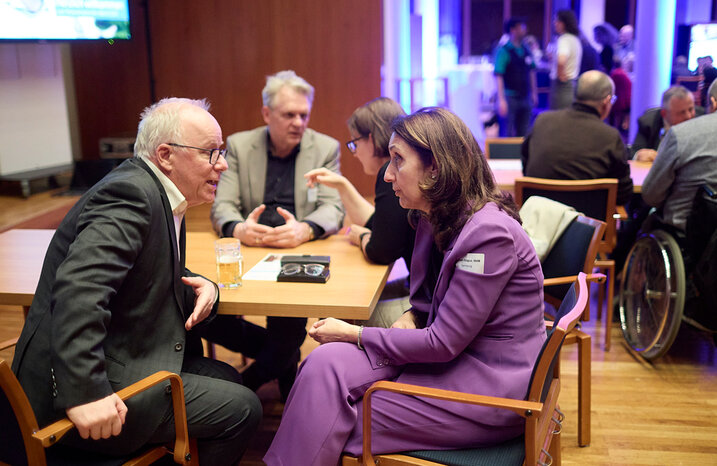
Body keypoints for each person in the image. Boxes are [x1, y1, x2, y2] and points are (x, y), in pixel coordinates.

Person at [264, 107, 546, 465]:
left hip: (486, 389)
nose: (387, 175)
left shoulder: (489, 235)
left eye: (397, 160)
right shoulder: (436, 216)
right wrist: (413, 312)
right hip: (453, 360)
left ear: (436, 168)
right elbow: (435, 300)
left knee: (325, 418)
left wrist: (355, 334)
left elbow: (443, 343)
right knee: (322, 364)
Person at [11, 98, 262, 465]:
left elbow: (148, 264)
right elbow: (79, 292)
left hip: (125, 353)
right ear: (165, 155)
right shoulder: (130, 196)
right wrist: (86, 394)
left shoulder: (158, 192)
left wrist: (202, 282)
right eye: (210, 152)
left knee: (229, 378)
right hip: (76, 394)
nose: (221, 163)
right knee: (244, 409)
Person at [203, 70, 345, 400]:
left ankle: (242, 387)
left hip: (297, 252)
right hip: (249, 249)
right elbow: (222, 205)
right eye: (289, 114)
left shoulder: (324, 147)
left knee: (288, 325)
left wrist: (304, 229)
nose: (299, 122)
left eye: (304, 114)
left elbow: (332, 209)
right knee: (206, 314)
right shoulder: (239, 145)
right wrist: (239, 227)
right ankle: (285, 370)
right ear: (267, 114)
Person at [304, 97, 414, 328]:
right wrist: (342, 185)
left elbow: (380, 251)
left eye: (354, 142)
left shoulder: (391, 173)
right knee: (340, 303)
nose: (354, 153)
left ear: (371, 138)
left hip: (425, 298)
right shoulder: (404, 169)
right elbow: (384, 225)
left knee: (335, 315)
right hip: (424, 286)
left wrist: (361, 237)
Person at [522, 70, 633, 205]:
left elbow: (526, 167)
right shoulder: (610, 137)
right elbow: (623, 193)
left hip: (537, 218)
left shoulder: (542, 121)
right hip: (589, 223)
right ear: (607, 101)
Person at [641, 80, 717, 233]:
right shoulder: (651, 122)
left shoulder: (682, 133)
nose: (689, 116)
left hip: (689, 232)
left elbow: (651, 195)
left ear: (713, 102)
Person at [631, 85, 702, 162]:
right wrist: (639, 155)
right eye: (682, 112)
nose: (689, 116)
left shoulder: (702, 119)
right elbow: (633, 152)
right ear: (664, 113)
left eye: (691, 109)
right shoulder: (648, 123)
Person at [494, 17, 538, 137]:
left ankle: (522, 156)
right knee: (506, 133)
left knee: (525, 134)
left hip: (525, 96)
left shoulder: (526, 49)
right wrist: (501, 99)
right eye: (521, 27)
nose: (525, 30)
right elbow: (498, 75)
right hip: (509, 97)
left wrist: (534, 93)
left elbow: (531, 71)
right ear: (513, 30)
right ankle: (503, 156)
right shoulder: (504, 50)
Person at [549, 9, 582, 109]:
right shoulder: (575, 39)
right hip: (572, 83)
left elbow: (561, 61)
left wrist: (561, 76)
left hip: (562, 86)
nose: (555, 23)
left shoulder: (564, 39)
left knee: (558, 118)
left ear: (564, 23)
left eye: (557, 20)